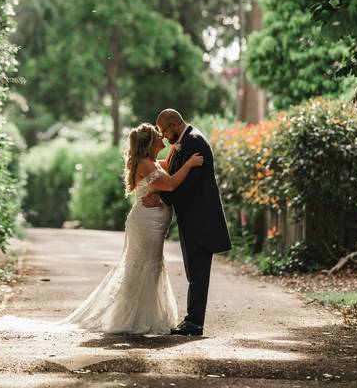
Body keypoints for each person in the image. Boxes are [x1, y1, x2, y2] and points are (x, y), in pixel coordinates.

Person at [62, 123, 203, 334]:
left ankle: (140, 316)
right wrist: (190, 164)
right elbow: (172, 183)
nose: (162, 138)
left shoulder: (153, 162)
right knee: (144, 267)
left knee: (148, 267)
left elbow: (169, 172)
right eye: (158, 136)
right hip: (146, 224)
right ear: (149, 143)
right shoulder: (146, 164)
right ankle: (132, 318)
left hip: (154, 223)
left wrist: (178, 150)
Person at [140, 109, 232, 336]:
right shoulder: (184, 142)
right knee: (194, 272)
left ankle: (194, 323)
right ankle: (192, 321)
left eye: (163, 130)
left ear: (174, 123)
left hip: (200, 219)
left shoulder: (194, 142)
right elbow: (172, 173)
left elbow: (188, 184)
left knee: (199, 272)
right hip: (192, 219)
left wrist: (161, 197)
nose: (163, 135)